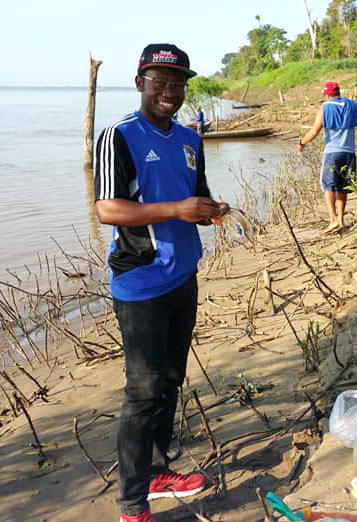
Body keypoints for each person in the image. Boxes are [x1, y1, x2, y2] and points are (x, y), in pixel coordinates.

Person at [94, 43, 229, 522]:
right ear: (140, 85)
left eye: (178, 84)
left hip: (183, 275)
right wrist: (177, 210)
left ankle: (156, 471)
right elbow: (108, 209)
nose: (170, 92)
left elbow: (198, 195)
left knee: (171, 380)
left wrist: (212, 210)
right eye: (160, 83)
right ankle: (132, 503)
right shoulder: (120, 135)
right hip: (141, 282)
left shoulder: (191, 139)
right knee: (143, 390)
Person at [297, 81, 357, 234]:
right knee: (343, 187)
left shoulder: (324, 108)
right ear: (339, 92)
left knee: (329, 186)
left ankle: (333, 219)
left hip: (332, 153)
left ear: (326, 94)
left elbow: (314, 132)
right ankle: (341, 221)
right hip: (349, 153)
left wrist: (301, 143)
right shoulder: (353, 104)